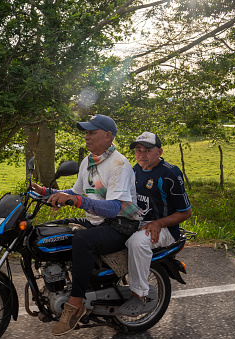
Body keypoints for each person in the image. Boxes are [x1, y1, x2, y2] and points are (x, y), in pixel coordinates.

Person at [30, 114, 142, 336]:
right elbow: (75, 193)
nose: (87, 137)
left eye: (92, 132)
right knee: (52, 229)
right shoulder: (89, 161)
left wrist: (78, 202)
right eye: (86, 132)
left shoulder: (119, 164)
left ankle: (75, 304)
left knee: (82, 239)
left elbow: (114, 207)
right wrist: (46, 192)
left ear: (108, 136)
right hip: (97, 221)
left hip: (120, 225)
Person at [119, 131, 192, 316]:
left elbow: (186, 212)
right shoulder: (134, 170)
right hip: (138, 222)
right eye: (138, 150)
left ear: (159, 151)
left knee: (137, 243)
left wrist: (159, 223)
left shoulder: (170, 174)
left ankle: (139, 295)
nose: (142, 154)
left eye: (147, 150)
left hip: (165, 228)